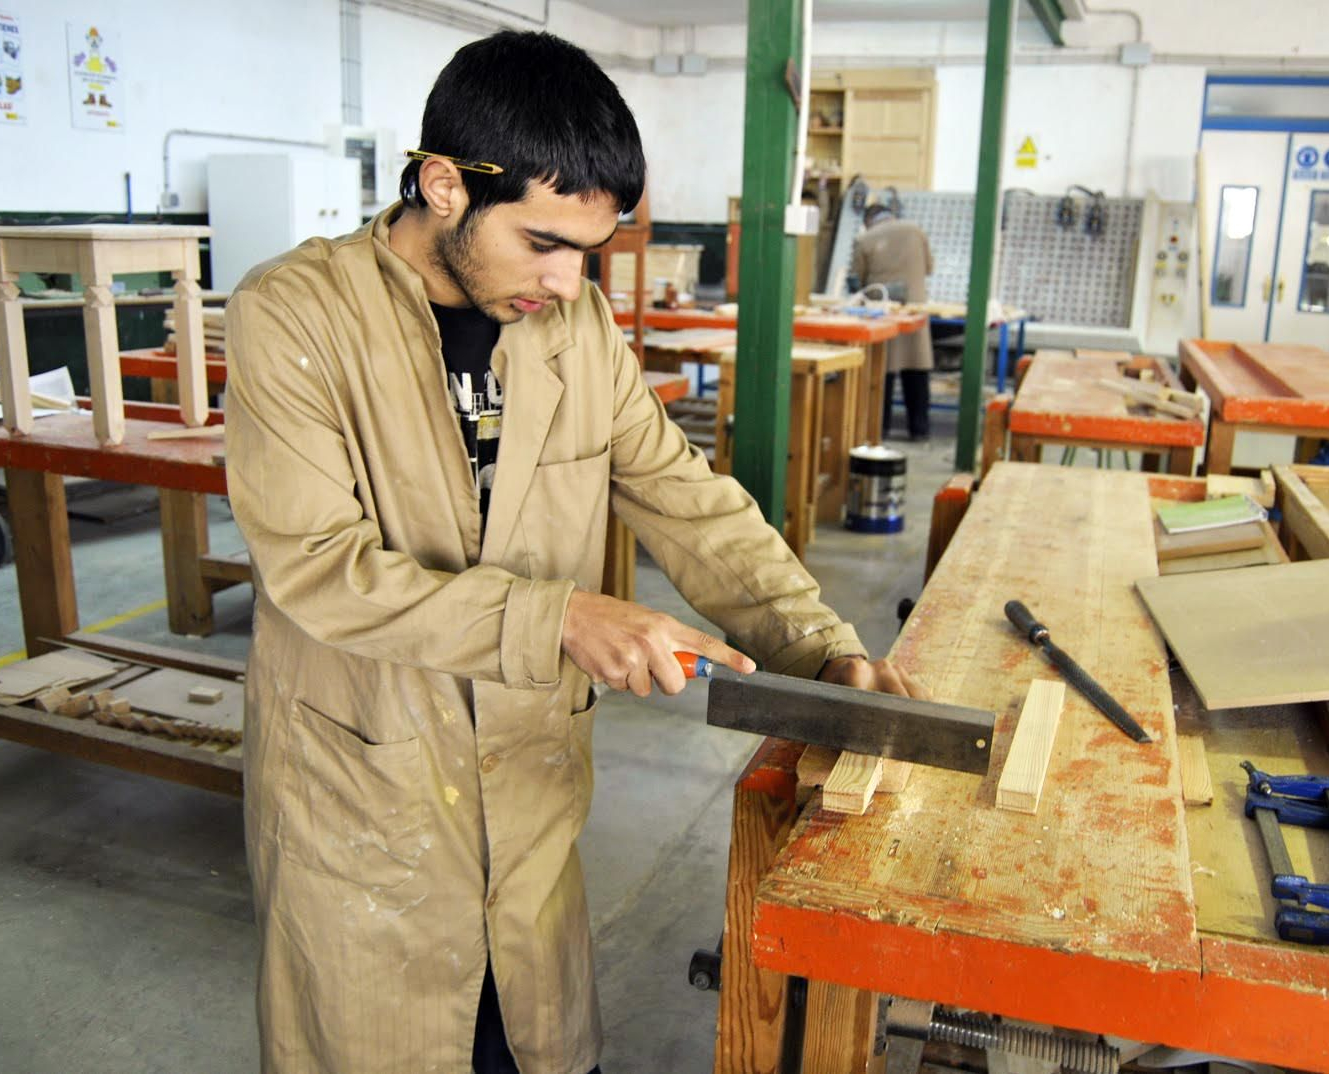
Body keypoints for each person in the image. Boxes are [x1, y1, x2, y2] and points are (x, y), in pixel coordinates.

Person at [223, 30, 919, 1074]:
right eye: (543, 243)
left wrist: (818, 650)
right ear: (444, 185)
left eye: (586, 253)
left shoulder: (574, 327)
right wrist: (558, 617)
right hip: (367, 795)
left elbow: (687, 500)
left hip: (530, 792)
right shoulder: (297, 315)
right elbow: (320, 569)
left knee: (537, 1045)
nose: (565, 279)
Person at [850, 203, 936, 439]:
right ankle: (920, 430)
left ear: (869, 220)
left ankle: (881, 428)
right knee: (917, 371)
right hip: (914, 310)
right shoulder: (916, 230)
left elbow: (860, 279)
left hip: (882, 312)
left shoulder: (865, 239)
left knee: (882, 372)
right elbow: (929, 267)